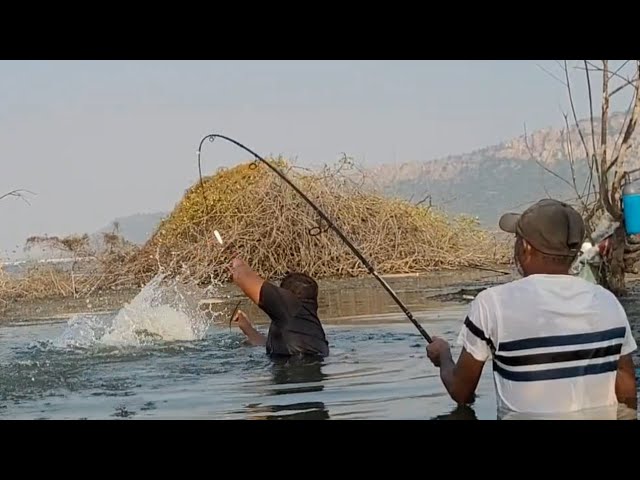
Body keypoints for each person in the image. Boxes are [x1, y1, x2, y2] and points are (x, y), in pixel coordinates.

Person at [426, 198, 638, 418]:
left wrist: (443, 356)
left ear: (525, 246)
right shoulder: (608, 302)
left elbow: (462, 393)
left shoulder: (492, 304)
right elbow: (627, 394)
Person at [228, 257, 329, 358]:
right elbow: (268, 344)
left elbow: (242, 277)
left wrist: (237, 262)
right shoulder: (306, 325)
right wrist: (248, 329)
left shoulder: (291, 307)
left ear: (285, 296)